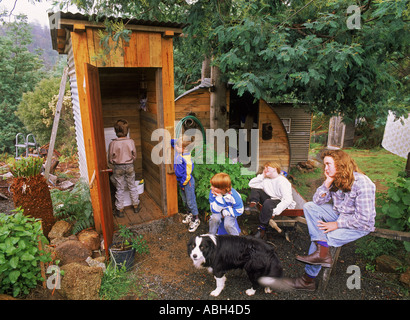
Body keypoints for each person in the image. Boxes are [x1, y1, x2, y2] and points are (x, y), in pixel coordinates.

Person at [284, 149, 376, 291]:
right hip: (341, 215)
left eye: (328, 164)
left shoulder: (362, 183)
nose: (325, 169)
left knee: (326, 236)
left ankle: (307, 281)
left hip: (358, 226)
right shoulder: (336, 179)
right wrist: (327, 183)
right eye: (324, 165)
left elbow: (365, 219)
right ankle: (322, 252)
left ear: (341, 164)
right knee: (309, 207)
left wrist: (337, 224)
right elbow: (316, 201)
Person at [245, 161, 296, 238]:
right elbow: (251, 184)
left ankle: (262, 228)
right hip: (271, 199)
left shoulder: (282, 181)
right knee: (256, 189)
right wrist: (262, 175)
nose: (265, 169)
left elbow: (288, 199)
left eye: (268, 168)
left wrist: (275, 212)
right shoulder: (266, 179)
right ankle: (253, 205)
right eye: (265, 168)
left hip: (282, 201)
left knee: (268, 202)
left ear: (275, 169)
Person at [108, 119, 141, 217]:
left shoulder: (113, 144)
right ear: (127, 131)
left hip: (118, 167)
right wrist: (130, 160)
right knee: (132, 186)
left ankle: (120, 209)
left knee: (120, 188)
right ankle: (136, 206)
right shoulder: (131, 141)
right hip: (130, 166)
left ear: (115, 131)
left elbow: (110, 158)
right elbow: (134, 155)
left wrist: (114, 162)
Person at [171, 136, 200, 232]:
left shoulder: (187, 159)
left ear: (185, 149)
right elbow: (174, 143)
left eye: (178, 146)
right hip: (181, 182)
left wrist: (183, 185)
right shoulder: (179, 151)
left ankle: (196, 218)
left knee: (190, 201)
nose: (176, 147)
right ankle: (189, 214)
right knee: (185, 200)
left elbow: (187, 175)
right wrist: (171, 140)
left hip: (187, 182)